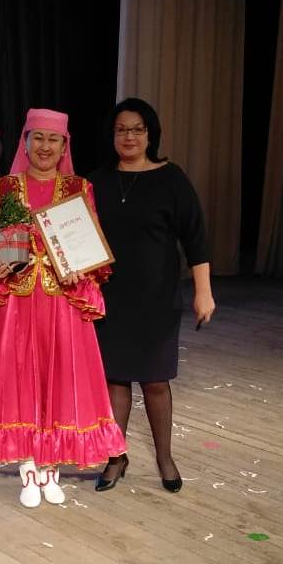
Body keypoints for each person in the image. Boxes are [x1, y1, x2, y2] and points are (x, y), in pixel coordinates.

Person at [0, 108, 127, 508]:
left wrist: (84, 266)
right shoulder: (6, 187)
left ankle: (51, 468)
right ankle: (28, 468)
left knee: (61, 377)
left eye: (53, 139)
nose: (45, 147)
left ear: (64, 146)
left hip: (62, 301)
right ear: (25, 142)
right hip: (18, 303)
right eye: (37, 137)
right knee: (20, 378)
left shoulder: (78, 188)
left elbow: (92, 247)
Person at [88, 97, 216, 493]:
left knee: (156, 381)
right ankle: (116, 457)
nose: (129, 136)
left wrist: (204, 292)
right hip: (109, 297)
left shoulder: (171, 178)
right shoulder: (96, 182)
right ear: (112, 135)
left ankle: (164, 457)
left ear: (150, 134)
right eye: (121, 129)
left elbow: (195, 238)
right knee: (116, 380)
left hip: (158, 298)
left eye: (137, 129)